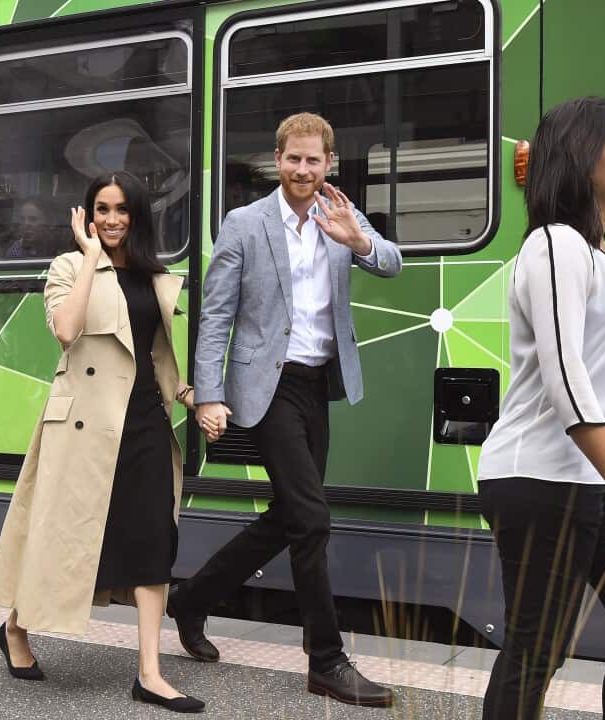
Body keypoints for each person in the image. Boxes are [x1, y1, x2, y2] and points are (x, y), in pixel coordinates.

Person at [168, 112, 402, 707]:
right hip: (265, 388)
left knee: (290, 517)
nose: (303, 169)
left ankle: (191, 599)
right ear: (278, 160)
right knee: (312, 518)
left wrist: (358, 240)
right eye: (293, 159)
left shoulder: (341, 214)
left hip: (317, 382)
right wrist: (209, 393)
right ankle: (325, 659)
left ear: (330, 165)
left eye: (313, 160)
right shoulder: (244, 223)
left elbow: (392, 263)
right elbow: (216, 314)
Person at [475, 97, 605, 720]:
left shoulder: (589, 254)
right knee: (539, 649)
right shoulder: (555, 245)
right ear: (582, 159)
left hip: (579, 478)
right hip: (540, 476)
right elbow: (567, 375)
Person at [0, 172, 204, 713]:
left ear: (137, 215)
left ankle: (149, 672)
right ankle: (15, 627)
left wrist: (196, 398)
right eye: (102, 208)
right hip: (83, 423)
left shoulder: (156, 274)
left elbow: (157, 358)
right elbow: (65, 329)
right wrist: (87, 257)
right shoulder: (67, 266)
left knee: (156, 539)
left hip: (147, 421)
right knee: (65, 540)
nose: (111, 219)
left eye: (122, 209)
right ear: (86, 214)